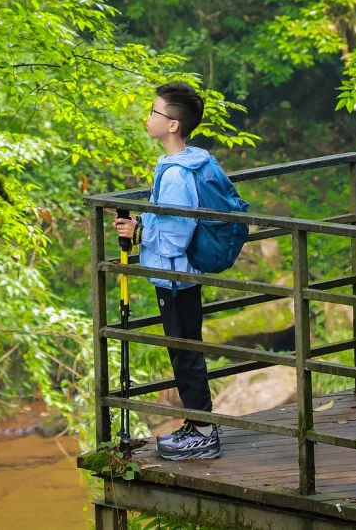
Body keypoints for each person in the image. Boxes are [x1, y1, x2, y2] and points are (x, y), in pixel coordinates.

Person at [113, 81, 221, 460]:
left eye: (155, 112)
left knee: (184, 351)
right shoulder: (190, 160)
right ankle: (198, 425)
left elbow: (176, 233)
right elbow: (171, 218)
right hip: (182, 274)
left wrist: (139, 230)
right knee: (185, 348)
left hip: (177, 276)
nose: (148, 117)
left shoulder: (176, 174)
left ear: (173, 125)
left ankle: (204, 432)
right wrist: (144, 221)